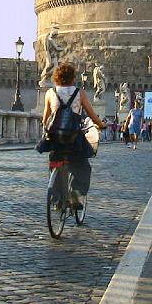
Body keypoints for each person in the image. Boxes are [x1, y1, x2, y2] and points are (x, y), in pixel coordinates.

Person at [42, 63, 106, 208]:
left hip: (55, 137)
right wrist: (101, 125)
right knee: (82, 166)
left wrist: (46, 131)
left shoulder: (50, 93)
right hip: (72, 137)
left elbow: (45, 119)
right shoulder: (79, 93)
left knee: (55, 162)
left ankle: (57, 198)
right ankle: (75, 195)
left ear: (56, 77)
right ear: (72, 78)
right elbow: (91, 114)